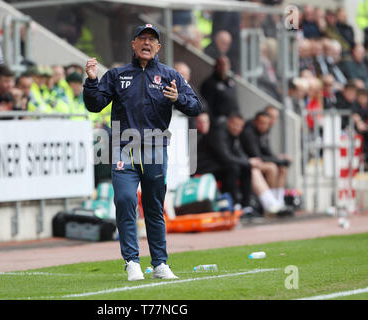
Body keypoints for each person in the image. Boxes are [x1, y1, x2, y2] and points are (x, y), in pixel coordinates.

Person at [83, 24, 202, 281]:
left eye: (152, 40)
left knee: (153, 207)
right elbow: (95, 105)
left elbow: (195, 106)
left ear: (158, 47)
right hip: (122, 148)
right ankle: (132, 261)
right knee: (125, 200)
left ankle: (160, 264)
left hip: (155, 149)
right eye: (142, 39)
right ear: (133, 44)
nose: (147, 43)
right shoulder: (116, 75)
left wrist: (177, 99)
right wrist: (92, 81)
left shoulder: (171, 75)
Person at [205, 113, 290, 217]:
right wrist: (249, 162)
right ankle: (242, 205)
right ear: (229, 123)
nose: (237, 128)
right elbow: (225, 157)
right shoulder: (220, 133)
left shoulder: (236, 135)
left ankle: (249, 207)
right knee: (237, 168)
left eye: (240, 126)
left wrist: (249, 162)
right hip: (209, 168)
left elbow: (240, 153)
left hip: (231, 165)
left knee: (247, 167)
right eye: (235, 125)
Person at [240, 108, 292, 207]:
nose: (266, 125)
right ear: (256, 121)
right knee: (272, 167)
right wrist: (277, 160)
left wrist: (279, 159)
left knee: (283, 168)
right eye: (262, 123)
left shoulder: (265, 130)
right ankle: (271, 204)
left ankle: (279, 201)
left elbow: (267, 152)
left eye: (275, 118)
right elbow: (257, 155)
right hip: (249, 163)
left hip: (258, 162)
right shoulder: (248, 132)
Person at [200, 55, 239, 121]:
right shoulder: (209, 83)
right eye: (221, 64)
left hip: (232, 120)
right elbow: (207, 105)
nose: (224, 67)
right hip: (218, 121)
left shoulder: (231, 81)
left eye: (226, 64)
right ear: (216, 66)